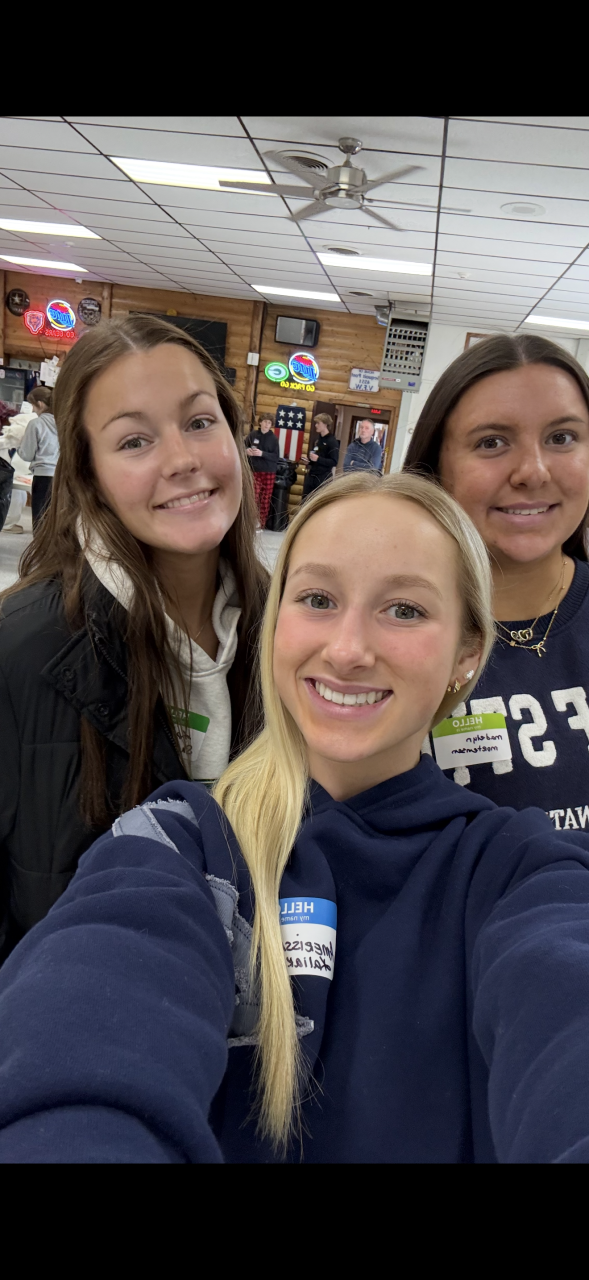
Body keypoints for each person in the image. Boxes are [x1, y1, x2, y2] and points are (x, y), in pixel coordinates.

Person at [6, 472, 589, 1163]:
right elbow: (78, 1031)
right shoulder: (180, 846)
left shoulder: (518, 872)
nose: (346, 650)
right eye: (317, 599)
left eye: (404, 610)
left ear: (467, 653)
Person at [0, 315, 267, 961]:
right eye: (134, 441)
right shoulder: (23, 650)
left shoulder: (290, 628)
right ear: (88, 472)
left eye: (199, 422)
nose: (183, 459)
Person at [404, 333, 589, 827]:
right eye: (492, 442)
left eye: (562, 438)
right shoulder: (385, 632)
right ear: (436, 467)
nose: (533, 471)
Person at [18, 387, 59, 529]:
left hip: (43, 477)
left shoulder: (36, 424)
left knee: (40, 520)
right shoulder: (63, 423)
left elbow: (26, 454)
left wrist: (18, 445)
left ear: (40, 404)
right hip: (62, 477)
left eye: (33, 405)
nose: (33, 410)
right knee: (56, 520)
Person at [244, 414, 279, 529]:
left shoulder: (274, 439)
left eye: (269, 423)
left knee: (265, 499)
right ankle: (250, 521)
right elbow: (242, 446)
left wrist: (262, 453)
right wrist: (246, 451)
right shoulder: (253, 434)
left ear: (271, 425)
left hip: (269, 472)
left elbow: (276, 456)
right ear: (260, 423)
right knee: (253, 497)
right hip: (254, 470)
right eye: (264, 422)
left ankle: (261, 523)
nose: (266, 425)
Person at [301, 413, 340, 498]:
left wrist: (318, 459)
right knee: (305, 500)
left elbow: (334, 461)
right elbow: (316, 458)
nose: (316, 425)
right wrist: (309, 461)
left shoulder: (332, 442)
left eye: (318, 423)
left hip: (323, 478)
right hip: (312, 476)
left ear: (325, 424)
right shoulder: (317, 440)